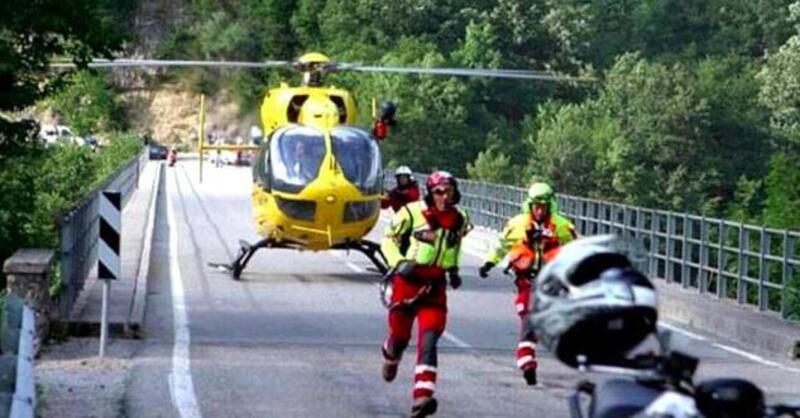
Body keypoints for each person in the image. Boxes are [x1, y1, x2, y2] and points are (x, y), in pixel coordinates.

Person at [380, 171, 472, 418]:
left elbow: (455, 245)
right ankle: (391, 353)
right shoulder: (411, 212)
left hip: (435, 287)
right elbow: (387, 240)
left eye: (448, 191)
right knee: (400, 338)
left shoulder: (460, 218)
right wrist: (399, 262)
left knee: (429, 341)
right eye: (439, 192)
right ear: (430, 194)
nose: (444, 196)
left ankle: (422, 397)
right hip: (407, 282)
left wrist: (453, 270)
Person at [478, 181, 576, 385]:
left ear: (551, 206)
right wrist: (489, 263)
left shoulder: (562, 226)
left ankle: (527, 354)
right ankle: (526, 360)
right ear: (529, 205)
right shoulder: (517, 224)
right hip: (526, 278)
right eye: (536, 206)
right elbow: (502, 246)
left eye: (543, 206)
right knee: (527, 313)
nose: (539, 211)